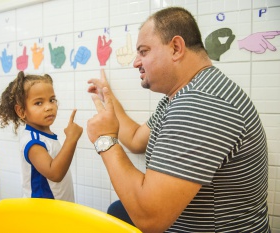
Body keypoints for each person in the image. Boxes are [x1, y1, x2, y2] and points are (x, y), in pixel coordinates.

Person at [87, 7, 270, 233]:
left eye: (143, 51)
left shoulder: (200, 105)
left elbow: (150, 219)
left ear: (176, 48)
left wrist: (105, 141)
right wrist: (109, 100)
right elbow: (135, 140)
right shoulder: (183, 95)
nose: (136, 62)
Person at [0, 71, 83, 202]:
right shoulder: (33, 142)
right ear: (21, 111)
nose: (49, 107)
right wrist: (71, 139)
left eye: (52, 100)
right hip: (44, 212)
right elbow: (55, 173)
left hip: (56, 208)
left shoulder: (44, 136)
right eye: (38, 103)